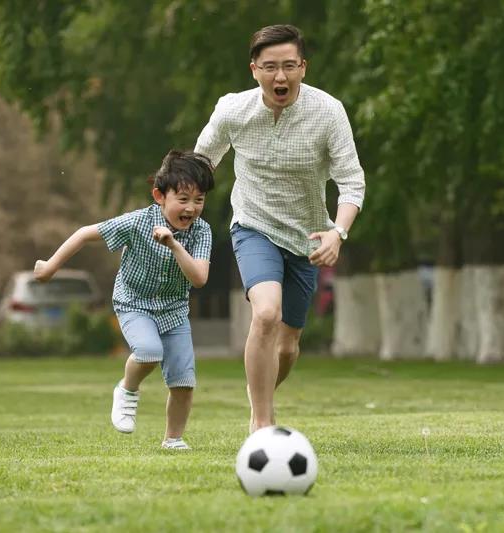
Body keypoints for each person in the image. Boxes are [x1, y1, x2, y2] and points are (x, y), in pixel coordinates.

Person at [195, 24, 365, 433]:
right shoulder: (233, 110)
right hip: (253, 226)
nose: (280, 76)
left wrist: (337, 232)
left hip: (307, 239)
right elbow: (200, 164)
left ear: (303, 67)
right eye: (270, 67)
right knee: (266, 313)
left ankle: (261, 396)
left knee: (287, 348)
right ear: (254, 70)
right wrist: (173, 205)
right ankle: (261, 423)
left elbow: (351, 181)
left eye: (289, 65)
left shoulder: (328, 112)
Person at [33, 150, 215, 450]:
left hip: (174, 311)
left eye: (199, 200)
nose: (191, 208)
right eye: (183, 199)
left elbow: (199, 278)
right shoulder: (137, 222)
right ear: (159, 196)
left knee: (183, 382)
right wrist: (50, 266)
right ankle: (127, 390)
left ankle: (173, 439)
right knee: (148, 351)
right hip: (134, 303)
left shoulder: (202, 232)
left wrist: (173, 245)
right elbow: (84, 234)